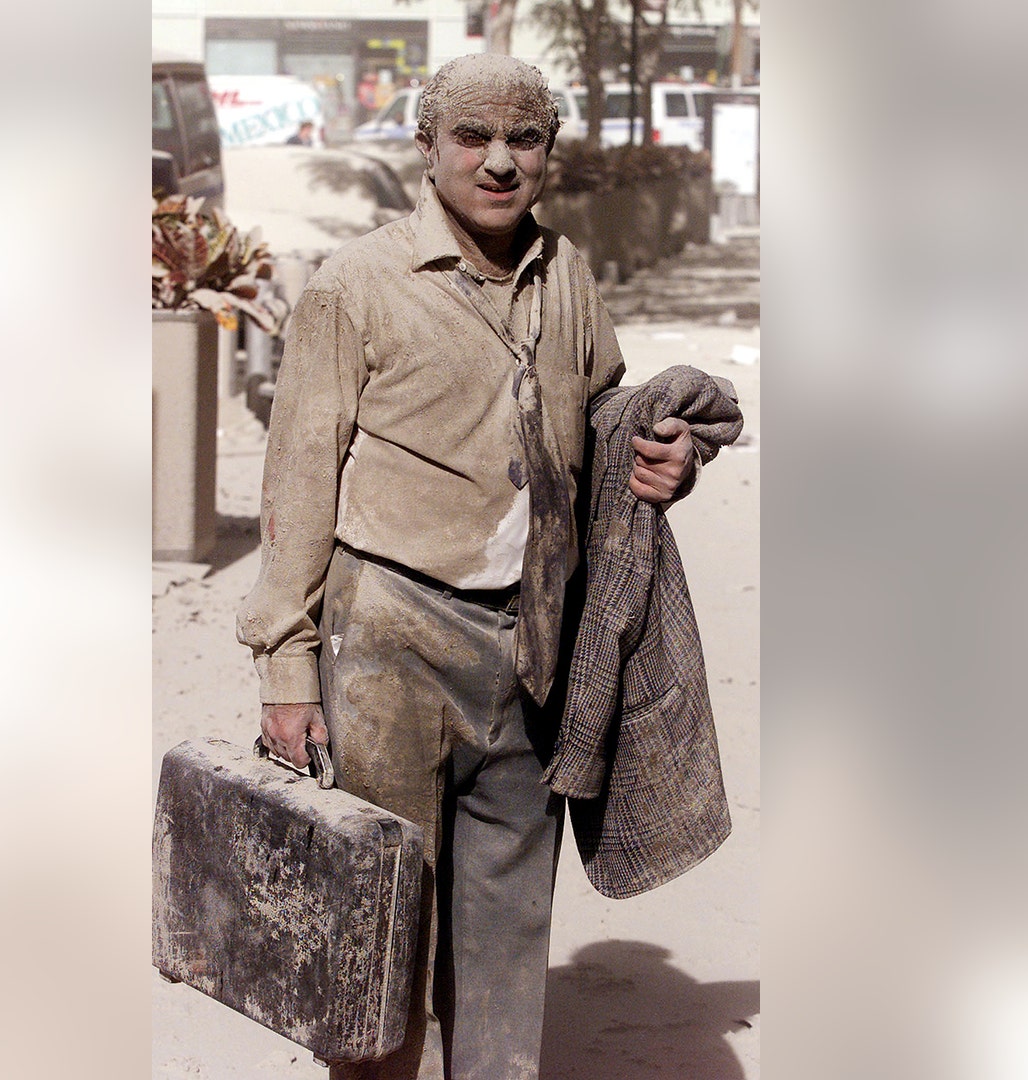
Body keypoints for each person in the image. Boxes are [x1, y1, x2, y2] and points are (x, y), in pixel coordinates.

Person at [236, 53, 700, 1080]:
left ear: (550, 156)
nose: (498, 162)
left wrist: (667, 453)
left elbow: (606, 422)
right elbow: (299, 481)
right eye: (472, 138)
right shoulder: (358, 285)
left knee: (506, 938)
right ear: (428, 148)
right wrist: (284, 666)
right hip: (390, 638)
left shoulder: (568, 274)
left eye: (523, 140)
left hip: (531, 645)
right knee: (379, 934)